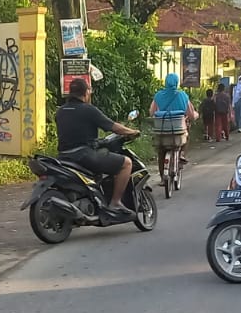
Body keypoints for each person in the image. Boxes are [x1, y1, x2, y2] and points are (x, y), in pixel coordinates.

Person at [56, 76, 139, 216]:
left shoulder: (61, 111)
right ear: (86, 92)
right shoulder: (89, 110)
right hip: (84, 155)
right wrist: (132, 132)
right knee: (126, 163)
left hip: (63, 156)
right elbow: (114, 127)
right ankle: (115, 203)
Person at [149, 72, 196, 187]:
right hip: (178, 132)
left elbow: (152, 112)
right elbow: (191, 114)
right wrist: (195, 115)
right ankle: (182, 154)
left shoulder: (158, 96)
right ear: (177, 82)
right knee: (186, 136)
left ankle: (162, 178)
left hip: (162, 132)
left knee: (161, 152)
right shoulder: (182, 95)